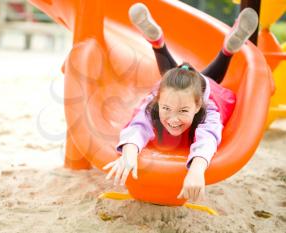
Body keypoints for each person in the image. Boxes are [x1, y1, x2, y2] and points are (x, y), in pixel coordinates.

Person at [103, 3, 259, 202]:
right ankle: (225, 50)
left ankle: (158, 43)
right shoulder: (155, 103)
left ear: (198, 106)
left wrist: (196, 170)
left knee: (202, 80)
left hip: (203, 87)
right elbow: (138, 126)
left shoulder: (208, 108)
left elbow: (208, 137)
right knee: (173, 81)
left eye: (184, 111)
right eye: (166, 108)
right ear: (158, 101)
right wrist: (130, 152)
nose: (173, 119)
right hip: (176, 88)